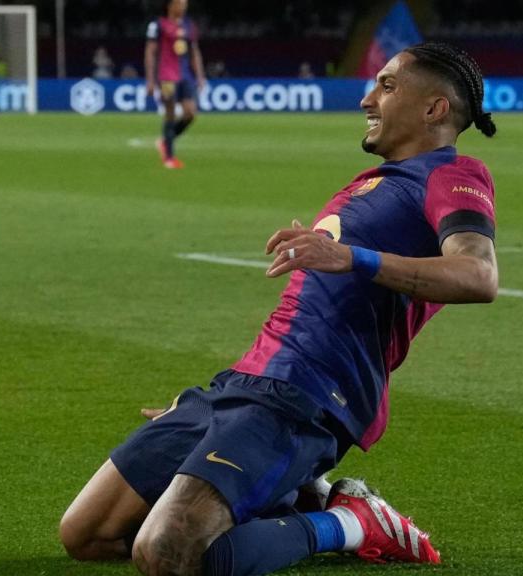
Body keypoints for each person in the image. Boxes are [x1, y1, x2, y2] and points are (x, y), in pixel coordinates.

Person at [59, 41, 499, 576]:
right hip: (243, 386)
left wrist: (350, 256)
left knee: (167, 554)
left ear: (434, 109)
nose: (367, 99)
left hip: (308, 396)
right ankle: (302, 493)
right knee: (87, 535)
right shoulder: (372, 184)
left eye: (386, 86)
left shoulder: (453, 175)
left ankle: (353, 522)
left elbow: (478, 275)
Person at [145, 0, 206, 170]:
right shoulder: (158, 25)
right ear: (170, 5)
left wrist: (200, 76)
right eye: (179, 3)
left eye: (185, 3)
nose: (183, 6)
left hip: (186, 76)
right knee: (170, 114)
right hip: (166, 77)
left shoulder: (189, 25)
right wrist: (150, 80)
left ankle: (165, 141)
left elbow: (194, 51)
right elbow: (150, 52)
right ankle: (169, 158)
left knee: (191, 113)